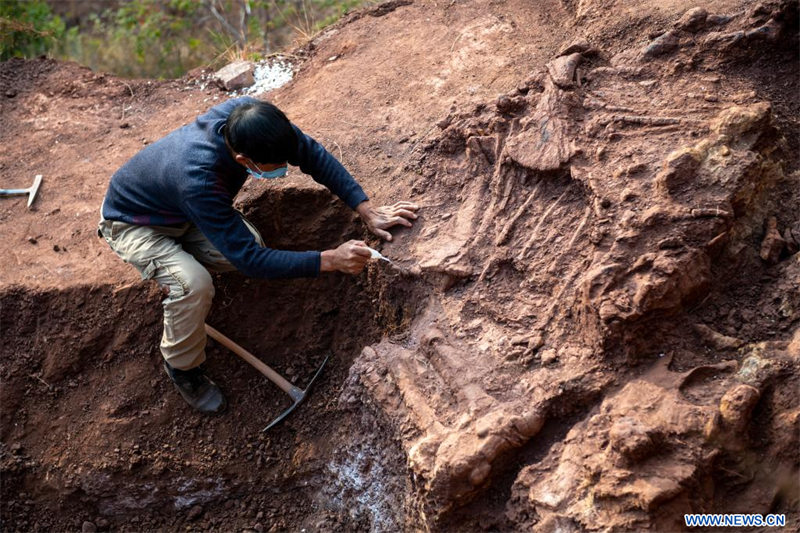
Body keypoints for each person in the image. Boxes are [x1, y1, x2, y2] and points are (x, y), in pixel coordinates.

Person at [98, 96, 418, 413]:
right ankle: (182, 366)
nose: (283, 169)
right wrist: (331, 259)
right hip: (134, 223)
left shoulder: (252, 121)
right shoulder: (199, 179)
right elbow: (250, 262)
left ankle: (177, 266)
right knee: (193, 284)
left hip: (183, 211)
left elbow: (312, 154)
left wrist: (365, 209)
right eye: (276, 166)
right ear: (242, 159)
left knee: (245, 245)